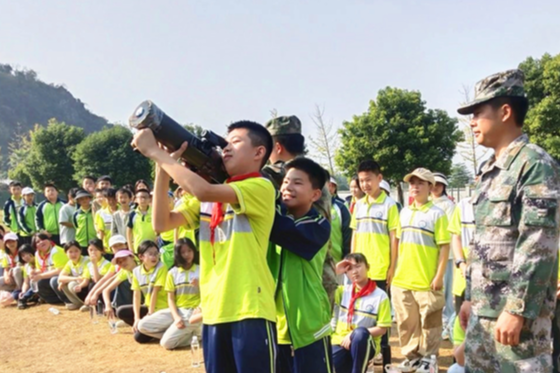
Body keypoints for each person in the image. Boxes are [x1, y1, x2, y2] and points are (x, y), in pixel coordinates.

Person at [134, 120, 277, 373]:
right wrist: (162, 168)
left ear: (259, 153)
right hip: (213, 311)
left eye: (235, 142)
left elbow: (203, 190)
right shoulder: (209, 196)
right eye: (225, 143)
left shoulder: (260, 186)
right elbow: (161, 222)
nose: (227, 148)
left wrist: (157, 152)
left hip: (250, 310)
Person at [457, 69, 560, 371]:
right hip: (484, 312)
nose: (472, 121)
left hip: (518, 322)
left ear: (505, 111)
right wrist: (468, 296)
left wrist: (517, 310)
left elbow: (538, 242)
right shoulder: (490, 171)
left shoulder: (534, 164)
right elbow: (483, 242)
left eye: (478, 112)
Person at [262, 115, 338, 308]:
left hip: (304, 276)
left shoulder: (283, 173)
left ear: (277, 147)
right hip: (321, 271)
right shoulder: (312, 173)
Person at [268, 158, 333, 373]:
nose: (287, 187)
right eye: (285, 182)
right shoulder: (276, 219)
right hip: (276, 327)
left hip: (309, 326)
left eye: (297, 183)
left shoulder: (318, 226)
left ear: (315, 194)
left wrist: (264, 197)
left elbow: (282, 229)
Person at [391, 168, 450, 373]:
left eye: (420, 183)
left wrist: (439, 275)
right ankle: (412, 358)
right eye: (412, 183)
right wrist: (394, 270)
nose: (414, 187)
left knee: (430, 322)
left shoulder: (437, 214)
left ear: (430, 187)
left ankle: (429, 358)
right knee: (406, 323)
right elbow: (398, 243)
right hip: (403, 279)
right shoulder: (404, 212)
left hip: (426, 281)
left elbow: (444, 246)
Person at [352, 160, 399, 366]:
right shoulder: (359, 205)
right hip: (359, 270)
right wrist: (351, 261)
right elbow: (354, 234)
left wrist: (392, 267)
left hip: (379, 269)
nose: (365, 185)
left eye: (369, 180)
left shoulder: (390, 205)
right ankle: (366, 357)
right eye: (361, 181)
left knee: (381, 316)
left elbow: (394, 238)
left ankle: (386, 361)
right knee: (360, 312)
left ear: (379, 178)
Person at [332, 253, 392, 373]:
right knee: (330, 366)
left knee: (360, 334)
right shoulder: (342, 291)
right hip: (340, 341)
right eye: (349, 269)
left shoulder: (380, 296)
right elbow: (321, 287)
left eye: (358, 266)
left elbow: (382, 329)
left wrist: (353, 334)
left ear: (368, 267)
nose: (354, 271)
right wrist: (334, 271)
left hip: (365, 343)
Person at [138, 238, 201, 350]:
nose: (187, 254)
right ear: (178, 254)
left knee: (166, 344)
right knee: (142, 325)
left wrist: (200, 285)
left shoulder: (201, 270)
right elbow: (170, 299)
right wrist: (176, 317)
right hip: (177, 311)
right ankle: (185, 334)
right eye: (183, 252)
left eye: (189, 251)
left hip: (193, 312)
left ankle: (195, 336)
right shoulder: (172, 273)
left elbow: (210, 293)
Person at [116, 240, 169, 343]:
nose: (154, 257)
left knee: (138, 338)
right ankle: (148, 328)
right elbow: (136, 295)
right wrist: (136, 318)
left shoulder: (161, 267)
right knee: (121, 311)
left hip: (162, 309)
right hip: (148, 307)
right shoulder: (137, 271)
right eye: (150, 254)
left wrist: (150, 314)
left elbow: (155, 291)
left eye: (156, 254)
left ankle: (159, 330)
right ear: (141, 257)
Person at [430, 172, 456, 340]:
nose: (436, 187)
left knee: (445, 289)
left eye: (439, 184)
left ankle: (448, 323)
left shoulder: (449, 205)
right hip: (430, 253)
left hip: (446, 253)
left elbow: (451, 230)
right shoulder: (427, 203)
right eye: (434, 184)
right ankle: (439, 322)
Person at [448, 196, 475, 316]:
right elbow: (456, 237)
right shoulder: (463, 205)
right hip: (463, 276)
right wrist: (461, 263)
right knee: (462, 321)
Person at [29, 233, 69, 304]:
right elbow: (40, 269)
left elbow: (59, 270)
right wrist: (34, 273)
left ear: (49, 240)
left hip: (65, 275)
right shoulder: (37, 254)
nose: (41, 242)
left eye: (43, 239)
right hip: (49, 276)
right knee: (35, 281)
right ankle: (54, 300)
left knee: (53, 280)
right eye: (38, 242)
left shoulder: (57, 251)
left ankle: (68, 300)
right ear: (35, 246)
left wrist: (41, 276)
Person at [57, 241, 90, 310]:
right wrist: (74, 278)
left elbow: (84, 279)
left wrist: (72, 279)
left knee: (71, 284)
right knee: (62, 282)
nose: (73, 254)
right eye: (70, 252)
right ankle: (78, 303)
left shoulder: (86, 260)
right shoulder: (69, 263)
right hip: (78, 282)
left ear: (80, 251)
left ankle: (88, 303)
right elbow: (60, 277)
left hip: (88, 284)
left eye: (76, 251)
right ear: (66, 253)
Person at [127, 189, 156, 253]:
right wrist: (130, 247)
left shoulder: (154, 213)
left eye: (145, 197)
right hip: (138, 247)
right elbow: (129, 232)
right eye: (140, 197)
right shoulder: (133, 214)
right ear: (136, 199)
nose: (143, 200)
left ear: (149, 199)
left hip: (152, 247)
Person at [16, 244, 40, 309]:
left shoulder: (40, 260)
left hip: (41, 283)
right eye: (23, 256)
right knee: (15, 295)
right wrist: (23, 291)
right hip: (34, 287)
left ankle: (24, 298)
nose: (26, 257)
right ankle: (26, 296)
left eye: (27, 253)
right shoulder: (26, 266)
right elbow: (26, 282)